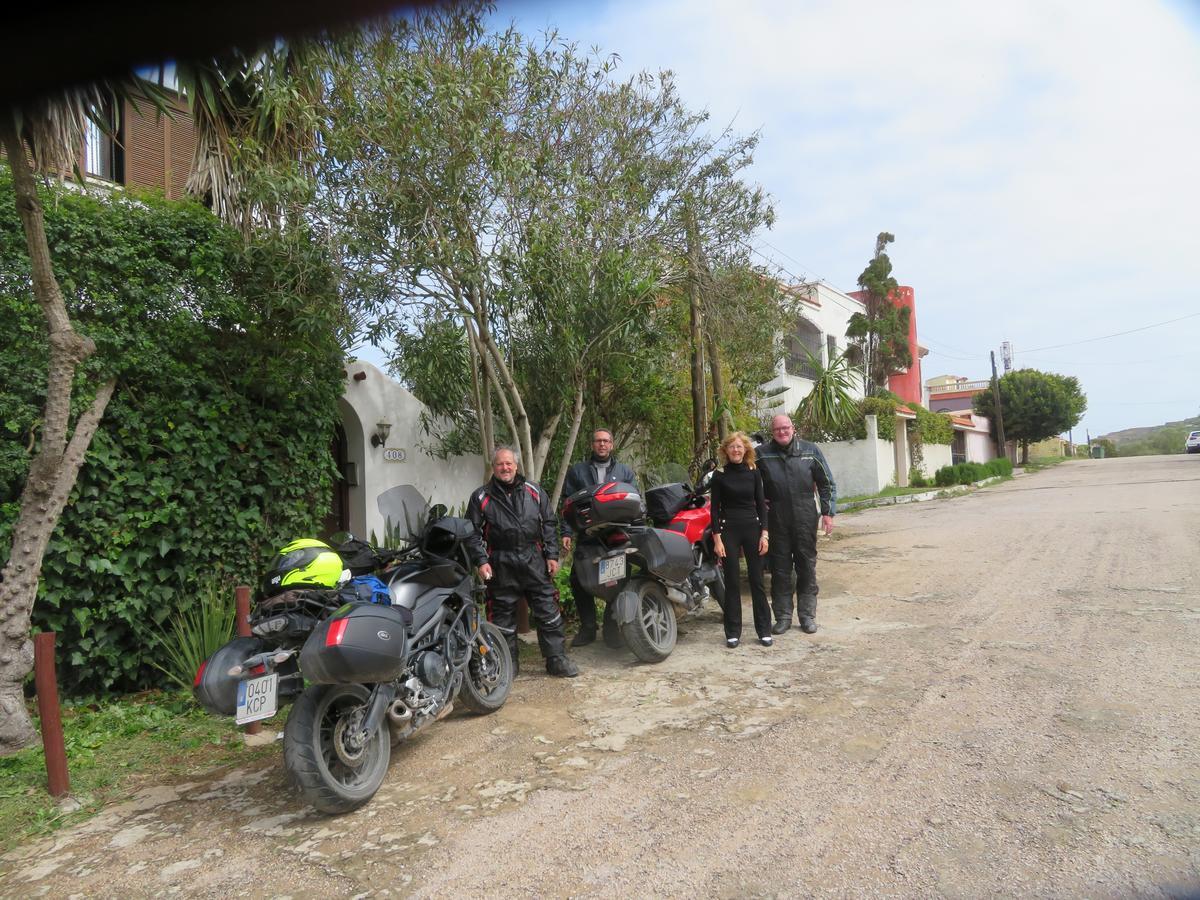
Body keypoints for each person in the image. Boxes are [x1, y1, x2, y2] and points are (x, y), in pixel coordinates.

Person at [467, 447, 579, 678]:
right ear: (494, 467)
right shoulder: (481, 496)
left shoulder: (534, 491)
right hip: (500, 562)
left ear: (516, 466)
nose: (505, 468)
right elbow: (472, 532)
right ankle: (508, 664)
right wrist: (481, 561)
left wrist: (551, 554)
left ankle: (556, 659)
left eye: (509, 464)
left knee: (548, 609)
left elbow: (548, 522)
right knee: (502, 617)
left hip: (534, 559)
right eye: (500, 464)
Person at [756, 414, 836, 635]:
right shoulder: (761, 454)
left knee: (806, 568)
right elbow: (747, 482)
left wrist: (828, 513)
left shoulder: (811, 451)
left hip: (805, 518)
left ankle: (807, 616)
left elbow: (826, 483)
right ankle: (782, 617)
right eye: (777, 429)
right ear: (772, 432)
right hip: (776, 520)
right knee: (780, 571)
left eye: (785, 428)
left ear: (793, 428)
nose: (782, 432)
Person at [560, 428, 638, 648]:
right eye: (598, 441)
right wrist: (566, 532)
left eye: (606, 441)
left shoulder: (625, 472)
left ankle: (612, 628)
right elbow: (567, 504)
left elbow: (635, 500)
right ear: (592, 445)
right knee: (579, 581)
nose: (602, 444)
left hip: (616, 537)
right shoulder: (578, 472)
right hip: (588, 537)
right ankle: (588, 628)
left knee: (618, 579)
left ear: (612, 445)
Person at [710, 431, 772, 648]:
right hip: (728, 531)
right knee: (733, 582)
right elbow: (714, 511)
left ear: (745, 449)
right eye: (732, 447)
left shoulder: (754, 472)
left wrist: (764, 534)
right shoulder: (719, 475)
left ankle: (764, 630)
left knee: (757, 581)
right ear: (725, 450)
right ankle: (733, 631)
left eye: (739, 447)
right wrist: (717, 540)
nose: (736, 450)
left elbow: (761, 505)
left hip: (752, 529)